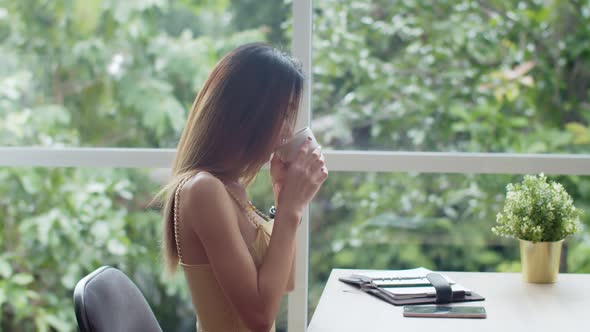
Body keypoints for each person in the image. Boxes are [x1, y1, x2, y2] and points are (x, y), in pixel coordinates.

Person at [157, 43, 328, 332]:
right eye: (284, 114)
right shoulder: (203, 190)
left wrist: (283, 195)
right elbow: (259, 318)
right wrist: (290, 211)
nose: (288, 130)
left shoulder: (231, 187)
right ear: (249, 113)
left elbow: (286, 281)